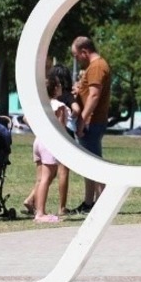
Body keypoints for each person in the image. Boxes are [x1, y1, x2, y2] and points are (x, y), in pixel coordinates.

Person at [70, 36, 111, 215]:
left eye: (76, 55)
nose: (76, 59)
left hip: (92, 122)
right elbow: (89, 92)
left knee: (95, 164)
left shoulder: (96, 67)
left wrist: (83, 120)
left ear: (84, 52)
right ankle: (89, 202)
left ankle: (103, 202)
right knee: (90, 164)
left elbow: (94, 96)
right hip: (92, 121)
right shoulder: (94, 67)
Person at [28, 75, 69, 223]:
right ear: (55, 88)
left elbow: (26, 118)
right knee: (47, 178)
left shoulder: (40, 105)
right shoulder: (59, 106)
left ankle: (39, 210)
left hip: (38, 141)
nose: (61, 87)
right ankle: (40, 213)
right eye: (59, 85)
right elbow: (60, 127)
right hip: (50, 143)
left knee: (40, 179)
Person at [49, 63, 81, 216]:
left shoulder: (48, 96)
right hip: (65, 132)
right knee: (63, 171)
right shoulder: (67, 95)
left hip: (50, 132)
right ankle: (62, 207)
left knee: (48, 171)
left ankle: (31, 199)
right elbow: (76, 109)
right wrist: (73, 118)